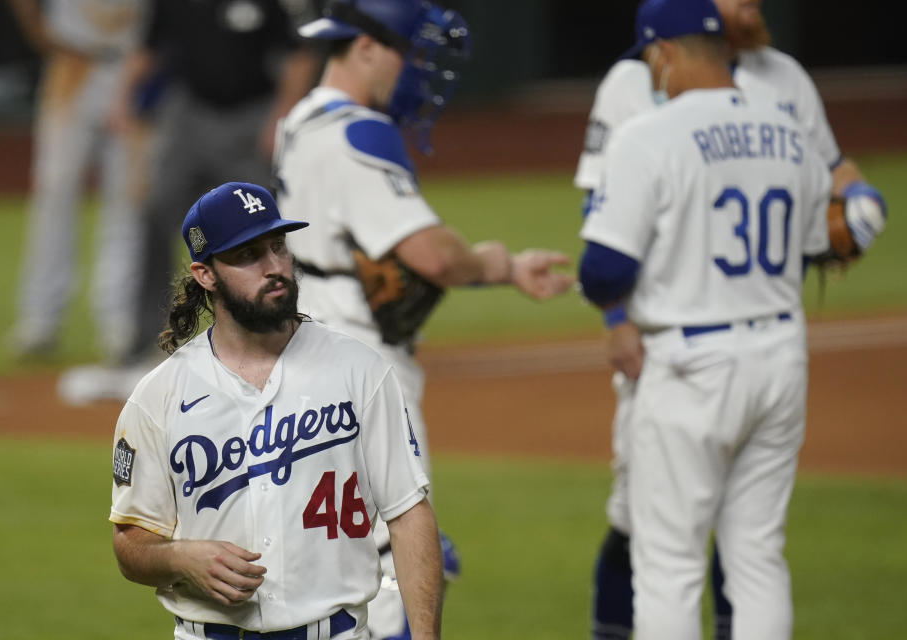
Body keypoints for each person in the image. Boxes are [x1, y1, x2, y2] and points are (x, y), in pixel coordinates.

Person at [576, 1, 888, 638]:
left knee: (668, 566)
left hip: (691, 368)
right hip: (779, 357)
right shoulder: (785, 128)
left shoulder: (650, 135)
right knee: (756, 557)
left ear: (664, 53)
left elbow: (603, 269)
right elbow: (819, 245)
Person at [274, 1, 575, 637]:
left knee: (329, 559)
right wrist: (498, 262)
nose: (416, 72)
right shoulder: (361, 133)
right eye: (411, 54)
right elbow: (433, 254)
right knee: (401, 571)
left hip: (302, 358)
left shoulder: (297, 121)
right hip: (365, 374)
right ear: (365, 48)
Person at [110, 181, 444, 640]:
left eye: (278, 247)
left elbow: (409, 514)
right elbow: (131, 542)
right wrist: (178, 557)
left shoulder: (360, 370)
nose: (274, 267)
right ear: (205, 275)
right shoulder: (157, 398)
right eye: (248, 255)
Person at [57, 0, 322, 404]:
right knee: (154, 212)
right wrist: (123, 98)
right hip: (189, 115)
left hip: (251, 117)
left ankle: (291, 337)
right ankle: (146, 344)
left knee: (268, 232)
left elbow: (299, 55)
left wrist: (282, 116)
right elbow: (148, 47)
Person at [6, 0, 148, 361]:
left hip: (135, 70)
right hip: (72, 63)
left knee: (128, 200)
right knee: (54, 194)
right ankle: (40, 317)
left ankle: (119, 318)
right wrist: (42, 35)